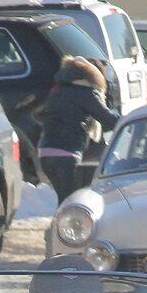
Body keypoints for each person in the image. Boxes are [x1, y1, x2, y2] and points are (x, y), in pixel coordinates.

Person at [38, 57, 120, 202]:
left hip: (45, 153)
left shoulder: (57, 90)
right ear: (93, 75)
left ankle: (61, 216)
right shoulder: (86, 92)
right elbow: (107, 118)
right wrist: (130, 120)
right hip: (67, 154)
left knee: (65, 199)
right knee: (72, 201)